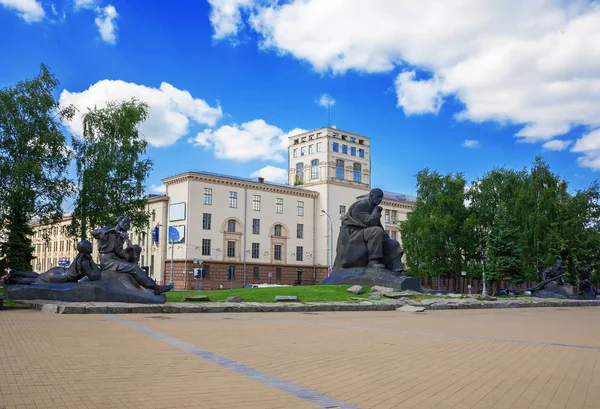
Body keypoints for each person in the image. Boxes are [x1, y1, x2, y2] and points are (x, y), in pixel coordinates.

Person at [92, 216, 173, 295]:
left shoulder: (121, 236)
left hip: (115, 258)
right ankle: (155, 288)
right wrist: (109, 232)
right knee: (134, 268)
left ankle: (144, 285)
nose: (127, 226)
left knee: (136, 249)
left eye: (128, 224)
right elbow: (94, 232)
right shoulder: (108, 229)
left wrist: (128, 251)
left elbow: (118, 251)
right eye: (125, 223)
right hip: (107, 261)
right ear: (120, 222)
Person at [334, 188, 403, 272]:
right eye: (378, 197)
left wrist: (386, 238)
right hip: (354, 235)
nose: (380, 199)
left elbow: (379, 227)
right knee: (376, 231)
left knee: (393, 243)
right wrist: (376, 211)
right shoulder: (361, 206)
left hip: (367, 234)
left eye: (381, 197)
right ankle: (373, 261)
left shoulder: (373, 208)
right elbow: (370, 222)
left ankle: (396, 268)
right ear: (371, 196)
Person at [3, 240, 101, 285]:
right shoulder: (85, 262)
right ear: (87, 249)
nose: (92, 247)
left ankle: (15, 273)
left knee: (38, 276)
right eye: (90, 246)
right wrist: (93, 261)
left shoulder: (81, 258)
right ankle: (15, 280)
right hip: (60, 277)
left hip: (59, 271)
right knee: (36, 282)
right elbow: (95, 276)